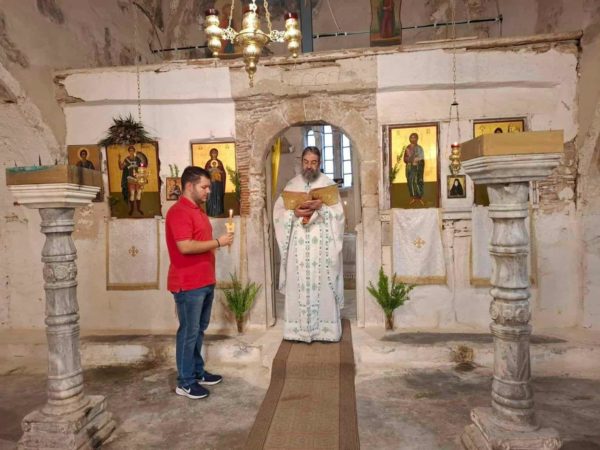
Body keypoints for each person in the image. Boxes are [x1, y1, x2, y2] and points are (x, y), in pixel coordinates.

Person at [165, 166, 234, 399]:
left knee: (198, 330)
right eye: (204, 187)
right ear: (189, 186)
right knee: (189, 332)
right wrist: (218, 242)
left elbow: (199, 243)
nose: (208, 191)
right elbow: (185, 246)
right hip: (188, 282)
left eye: (209, 188)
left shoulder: (198, 211)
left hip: (204, 280)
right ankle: (185, 382)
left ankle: (196, 372)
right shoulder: (179, 212)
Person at [273, 146, 345, 343]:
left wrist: (322, 208)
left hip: (322, 246)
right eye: (306, 162)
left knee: (323, 284)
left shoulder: (328, 185)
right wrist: (293, 213)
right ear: (301, 162)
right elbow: (278, 213)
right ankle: (297, 331)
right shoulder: (292, 184)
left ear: (319, 163)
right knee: (298, 284)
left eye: (313, 162)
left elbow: (339, 216)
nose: (309, 166)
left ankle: (325, 331)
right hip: (298, 247)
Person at [118, 145, 146, 216]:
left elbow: (141, 167)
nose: (131, 152)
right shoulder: (127, 159)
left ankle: (138, 209)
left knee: (139, 193)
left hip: (138, 178)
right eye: (130, 151)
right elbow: (121, 167)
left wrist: (142, 174)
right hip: (131, 179)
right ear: (129, 151)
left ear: (134, 151)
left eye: (132, 150)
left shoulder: (137, 159)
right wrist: (119, 160)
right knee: (132, 194)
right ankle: (132, 210)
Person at [403, 132, 425, 206]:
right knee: (410, 181)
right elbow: (405, 159)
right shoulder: (407, 148)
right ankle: (413, 197)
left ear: (417, 139)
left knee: (417, 181)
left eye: (414, 137)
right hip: (409, 168)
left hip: (417, 167)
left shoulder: (419, 148)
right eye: (411, 137)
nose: (412, 139)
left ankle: (419, 197)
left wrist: (416, 160)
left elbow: (421, 158)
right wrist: (410, 159)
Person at [204, 148, 226, 217]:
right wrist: (210, 171)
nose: (214, 154)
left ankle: (219, 212)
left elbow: (223, 173)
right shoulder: (208, 163)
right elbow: (205, 173)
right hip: (210, 184)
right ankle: (210, 212)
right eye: (213, 153)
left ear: (217, 154)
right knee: (210, 197)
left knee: (218, 198)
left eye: (215, 153)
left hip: (218, 184)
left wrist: (219, 171)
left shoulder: (220, 163)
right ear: (210, 154)